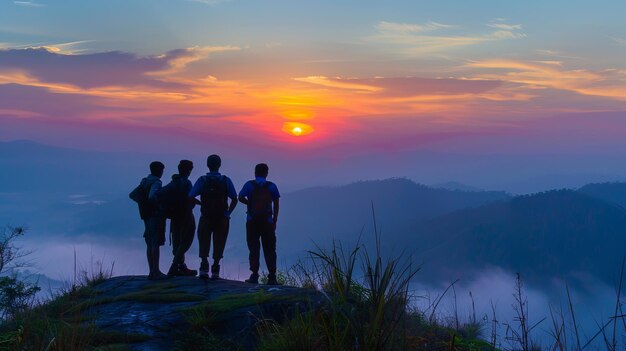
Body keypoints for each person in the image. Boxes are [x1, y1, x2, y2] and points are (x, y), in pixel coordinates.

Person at [189, 154, 238, 279]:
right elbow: (234, 198)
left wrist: (201, 203)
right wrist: (228, 213)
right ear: (219, 165)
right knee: (220, 241)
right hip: (222, 217)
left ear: (207, 165)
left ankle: (204, 266)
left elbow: (190, 196)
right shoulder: (226, 180)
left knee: (203, 240)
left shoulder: (202, 180)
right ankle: (215, 268)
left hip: (205, 216)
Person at [238, 163, 280, 285]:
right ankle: (272, 277)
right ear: (266, 173)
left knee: (253, 248)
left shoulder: (249, 185)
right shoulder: (272, 186)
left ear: (255, 172)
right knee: (270, 249)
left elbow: (240, 197)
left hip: (252, 221)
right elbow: (276, 204)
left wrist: (249, 204)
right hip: (268, 222)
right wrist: (275, 220)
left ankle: (254, 275)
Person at [158, 160, 198, 277]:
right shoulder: (187, 183)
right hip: (186, 215)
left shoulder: (173, 182)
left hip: (175, 215)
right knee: (185, 241)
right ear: (189, 170)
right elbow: (190, 198)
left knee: (177, 241)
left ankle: (181, 266)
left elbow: (160, 194)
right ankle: (174, 266)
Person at [129, 161, 168, 280]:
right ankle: (156, 271)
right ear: (160, 171)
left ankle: (151, 271)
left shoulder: (145, 181)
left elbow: (133, 195)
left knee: (149, 242)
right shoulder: (157, 182)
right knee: (155, 243)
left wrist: (143, 204)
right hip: (154, 215)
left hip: (146, 215)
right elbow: (152, 196)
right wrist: (157, 206)